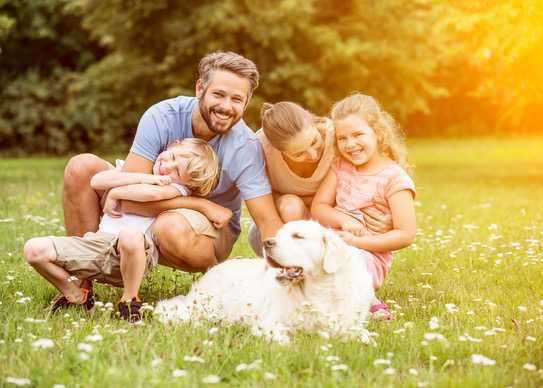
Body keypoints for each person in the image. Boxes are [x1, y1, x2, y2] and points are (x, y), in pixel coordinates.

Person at [61, 51, 283, 277]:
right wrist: (201, 204)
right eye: (218, 94)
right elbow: (127, 199)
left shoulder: (245, 146)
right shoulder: (163, 116)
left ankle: (216, 282)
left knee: (169, 226)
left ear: (246, 103)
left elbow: (267, 220)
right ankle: (81, 282)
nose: (226, 106)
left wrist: (284, 270)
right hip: (155, 208)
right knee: (81, 167)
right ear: (199, 89)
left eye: (237, 99)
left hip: (204, 230)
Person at [24, 139, 219, 322]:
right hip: (98, 245)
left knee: (130, 234)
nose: (167, 167)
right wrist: (143, 177)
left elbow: (150, 194)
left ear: (186, 183)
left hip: (134, 252)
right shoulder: (140, 172)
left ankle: (130, 300)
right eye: (173, 157)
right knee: (33, 250)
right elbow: (96, 181)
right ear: (171, 145)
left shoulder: (176, 188)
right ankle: (75, 294)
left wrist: (117, 191)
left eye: (176, 171)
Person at [311, 93, 417, 321]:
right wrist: (344, 220)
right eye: (342, 138)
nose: (350, 145)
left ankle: (368, 302)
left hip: (368, 257)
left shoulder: (394, 179)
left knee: (348, 259)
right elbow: (318, 208)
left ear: (378, 134)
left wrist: (356, 242)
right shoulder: (340, 167)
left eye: (358, 134)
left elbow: (406, 234)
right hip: (336, 242)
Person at [248, 101, 393, 255]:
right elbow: (257, 201)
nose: (313, 155)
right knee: (291, 206)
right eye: (298, 154)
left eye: (314, 142)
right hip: (277, 228)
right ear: (277, 149)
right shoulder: (260, 147)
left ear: (313, 122)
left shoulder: (338, 135)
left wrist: (390, 215)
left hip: (332, 221)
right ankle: (297, 261)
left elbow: (382, 171)